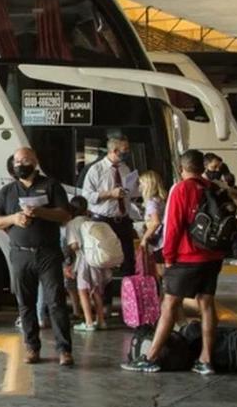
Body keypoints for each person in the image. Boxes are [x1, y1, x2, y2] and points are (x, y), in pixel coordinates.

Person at [123, 149, 224, 376]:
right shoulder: (212, 188)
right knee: (206, 305)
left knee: (168, 306)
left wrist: (168, 257)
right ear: (203, 167)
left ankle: (151, 357)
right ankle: (206, 359)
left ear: (182, 168)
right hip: (212, 256)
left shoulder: (181, 188)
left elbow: (173, 226)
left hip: (186, 257)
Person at [0, 148, 74, 366]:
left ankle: (64, 350)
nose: (20, 164)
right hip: (20, 255)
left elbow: (65, 215)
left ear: (35, 162)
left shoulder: (51, 186)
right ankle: (32, 348)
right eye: (17, 161)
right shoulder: (8, 191)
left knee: (56, 302)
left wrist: (40, 212)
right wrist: (14, 219)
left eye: (25, 160)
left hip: (48, 253)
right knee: (25, 303)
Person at [80, 136, 137, 275]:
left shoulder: (125, 168)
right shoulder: (96, 169)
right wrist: (110, 194)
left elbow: (131, 190)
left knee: (128, 260)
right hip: (103, 221)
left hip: (123, 220)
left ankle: (128, 293)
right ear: (114, 150)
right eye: (125, 149)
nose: (128, 152)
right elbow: (87, 196)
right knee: (105, 262)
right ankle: (106, 295)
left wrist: (133, 189)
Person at [66, 196, 111, 332]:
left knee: (83, 291)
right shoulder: (92, 221)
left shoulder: (72, 224)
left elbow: (74, 245)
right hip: (96, 260)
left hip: (83, 261)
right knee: (96, 291)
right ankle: (101, 320)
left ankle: (89, 322)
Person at [138, 170, 167, 272]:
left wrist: (145, 238)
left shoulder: (151, 202)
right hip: (165, 237)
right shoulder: (161, 199)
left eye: (141, 184)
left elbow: (155, 222)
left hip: (158, 240)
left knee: (160, 269)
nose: (140, 187)